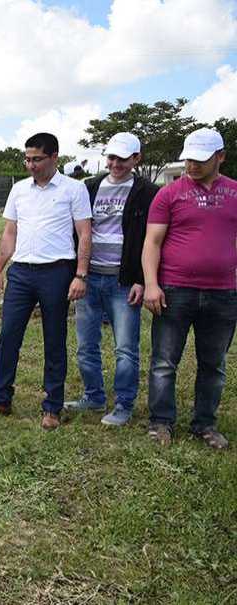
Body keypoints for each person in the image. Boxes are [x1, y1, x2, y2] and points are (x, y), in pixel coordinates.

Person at [0, 133, 93, 430]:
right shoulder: (19, 190)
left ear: (54, 157)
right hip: (21, 273)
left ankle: (52, 407)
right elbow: (9, 233)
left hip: (57, 272)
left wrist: (80, 274)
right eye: (27, 159)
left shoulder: (74, 190)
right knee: (8, 336)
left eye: (37, 159)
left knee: (54, 340)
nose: (30, 165)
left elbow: (85, 234)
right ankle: (1, 399)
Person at [142, 128, 236, 450]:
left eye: (200, 159)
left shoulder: (235, 193)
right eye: (189, 159)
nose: (192, 165)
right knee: (164, 361)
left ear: (220, 157)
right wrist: (152, 285)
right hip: (175, 290)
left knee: (214, 364)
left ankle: (205, 424)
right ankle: (160, 422)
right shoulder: (169, 194)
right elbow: (151, 243)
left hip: (224, 293)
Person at [63, 132, 159, 426]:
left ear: (136, 159)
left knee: (126, 348)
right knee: (86, 344)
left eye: (123, 158)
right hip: (89, 278)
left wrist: (141, 279)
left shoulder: (148, 192)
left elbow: (152, 240)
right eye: (112, 157)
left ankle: (124, 404)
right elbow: (75, 230)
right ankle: (93, 396)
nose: (116, 163)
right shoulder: (89, 188)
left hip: (124, 281)